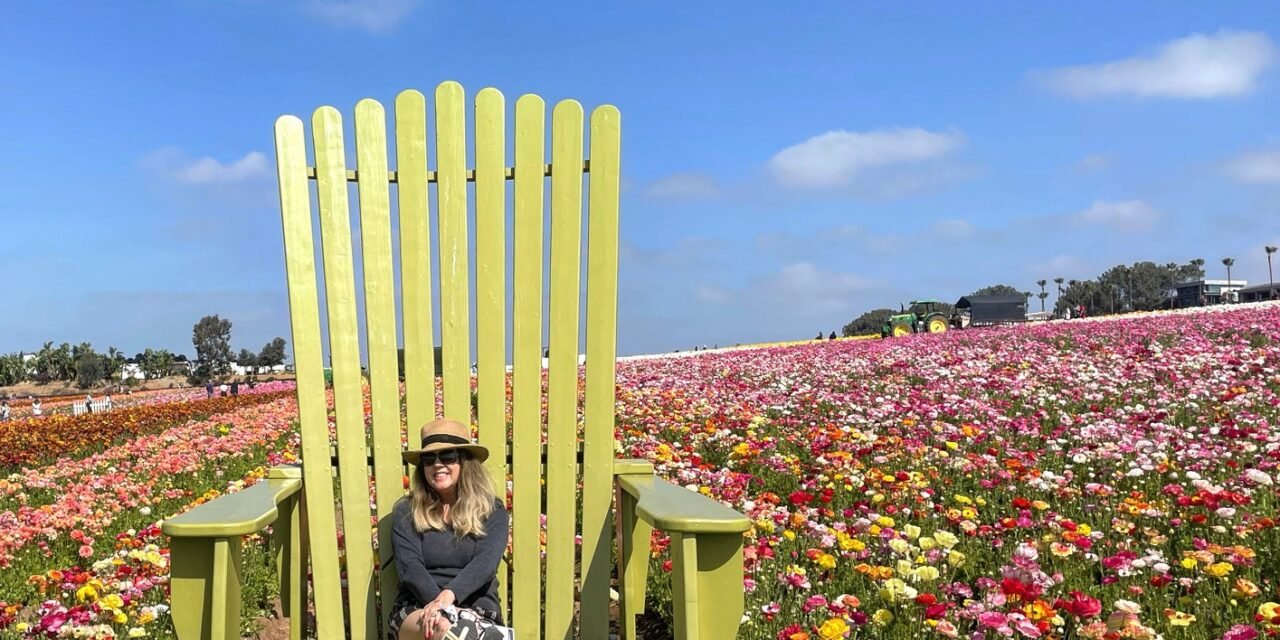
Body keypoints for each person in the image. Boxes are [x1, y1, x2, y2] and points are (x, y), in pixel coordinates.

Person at [390, 419, 510, 640]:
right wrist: (439, 606)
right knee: (455, 632)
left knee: (465, 632)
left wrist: (450, 599)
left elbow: (485, 564)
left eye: (447, 456)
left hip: (477, 608)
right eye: (429, 459)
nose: (437, 464)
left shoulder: (492, 511)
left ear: (465, 463)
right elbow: (410, 567)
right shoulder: (407, 511)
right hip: (418, 607)